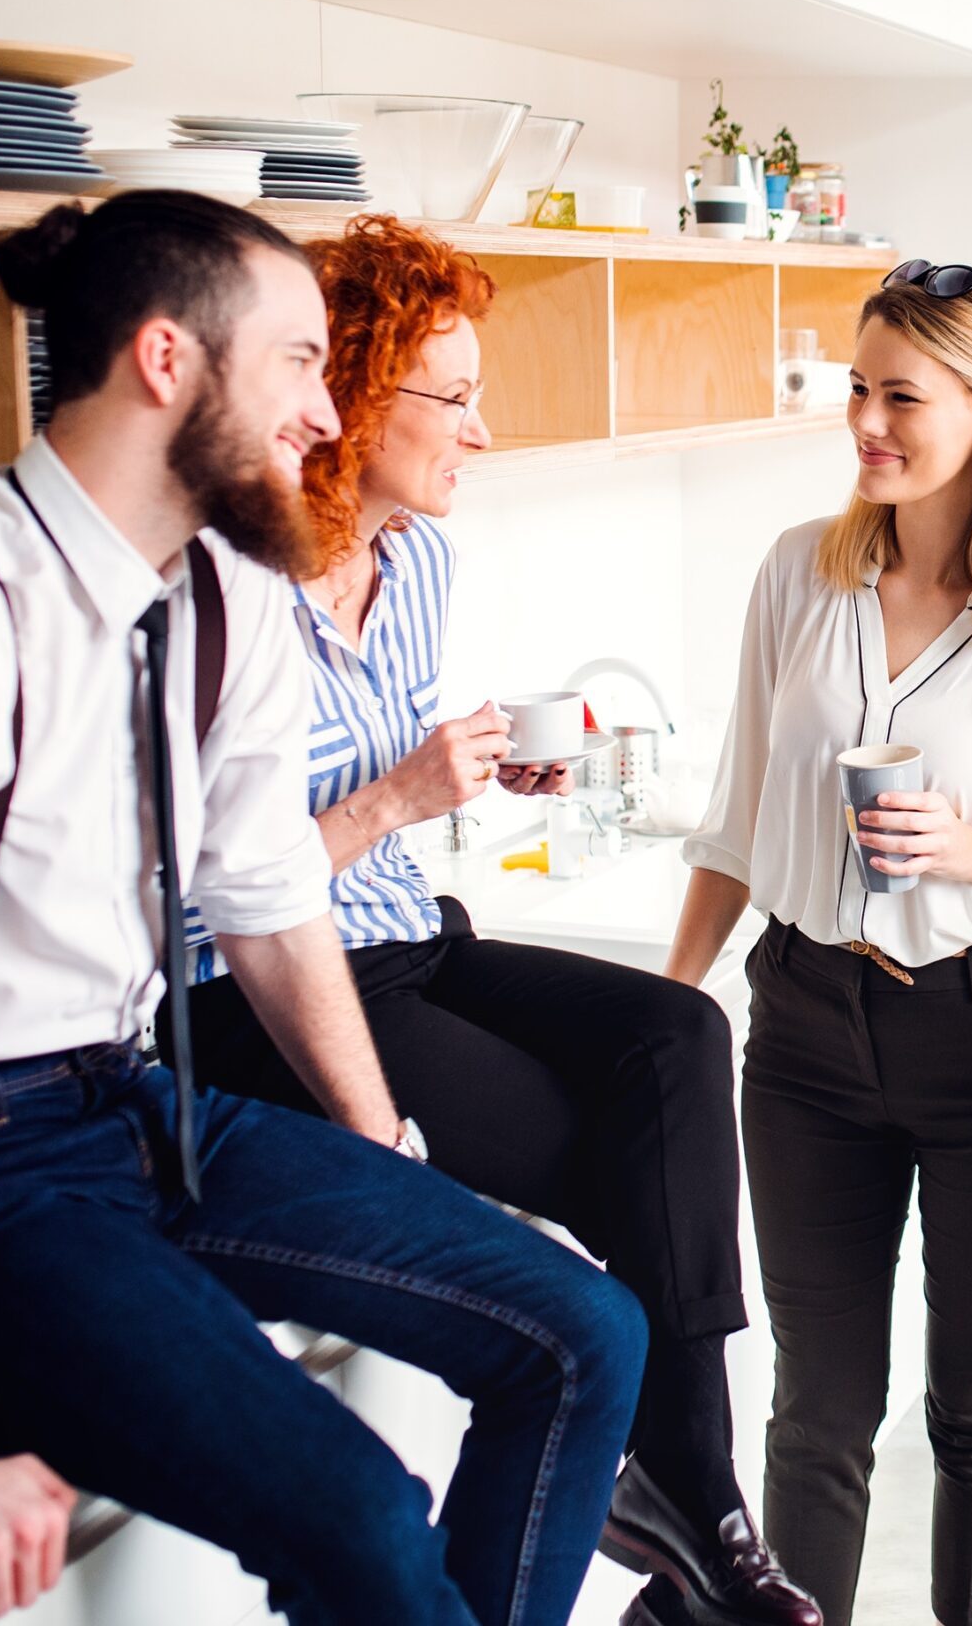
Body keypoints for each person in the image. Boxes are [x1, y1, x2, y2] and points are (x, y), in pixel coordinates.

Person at [0, 192, 647, 1626]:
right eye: (299, 361)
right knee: (360, 1512)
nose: (324, 405)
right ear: (169, 359)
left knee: (585, 1328)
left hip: (143, 1104)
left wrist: (380, 1153)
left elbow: (270, 895)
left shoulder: (224, 591)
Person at [161, 214, 818, 1626]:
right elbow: (213, 892)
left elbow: (389, 794)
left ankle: (685, 1492)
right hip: (266, 991)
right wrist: (398, 796)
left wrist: (473, 776)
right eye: (452, 398)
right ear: (343, 397)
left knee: (677, 1033)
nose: (481, 429)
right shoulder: (229, 590)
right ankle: (699, 1506)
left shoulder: (427, 566)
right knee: (631, 1167)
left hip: (414, 933)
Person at [666, 260, 972, 1626]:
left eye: (902, 396)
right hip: (807, 1028)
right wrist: (668, 1009)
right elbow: (732, 815)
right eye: (856, 391)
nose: (866, 424)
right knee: (816, 1406)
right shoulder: (799, 575)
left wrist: (968, 847)